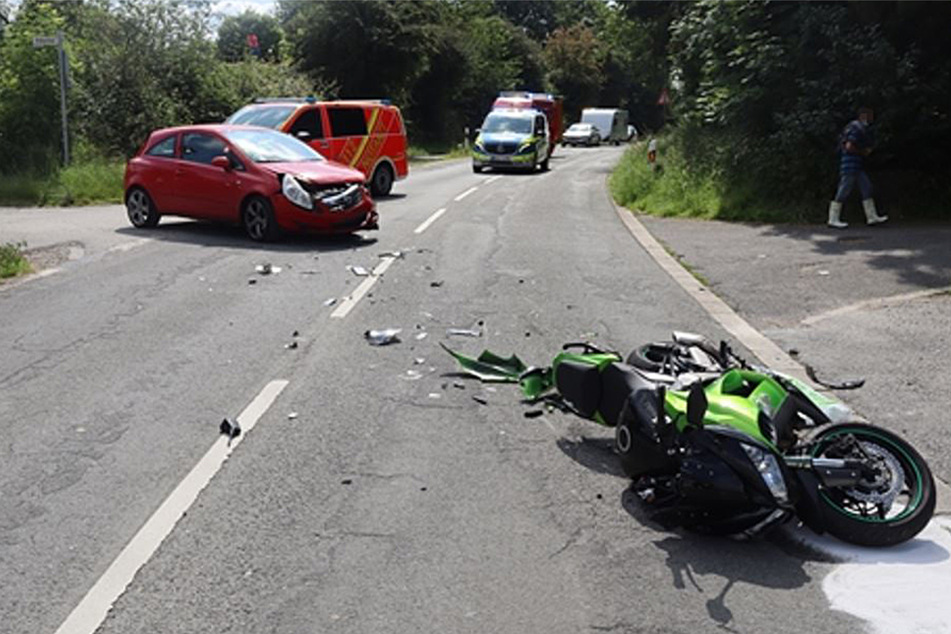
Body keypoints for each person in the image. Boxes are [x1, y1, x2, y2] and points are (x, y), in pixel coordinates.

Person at [828, 107, 888, 228]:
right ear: (864, 116)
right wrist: (863, 152)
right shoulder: (856, 128)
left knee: (867, 187)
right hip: (850, 165)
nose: (872, 119)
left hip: (856, 166)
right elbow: (849, 146)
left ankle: (871, 217)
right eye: (870, 116)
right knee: (844, 190)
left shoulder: (856, 128)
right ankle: (833, 219)